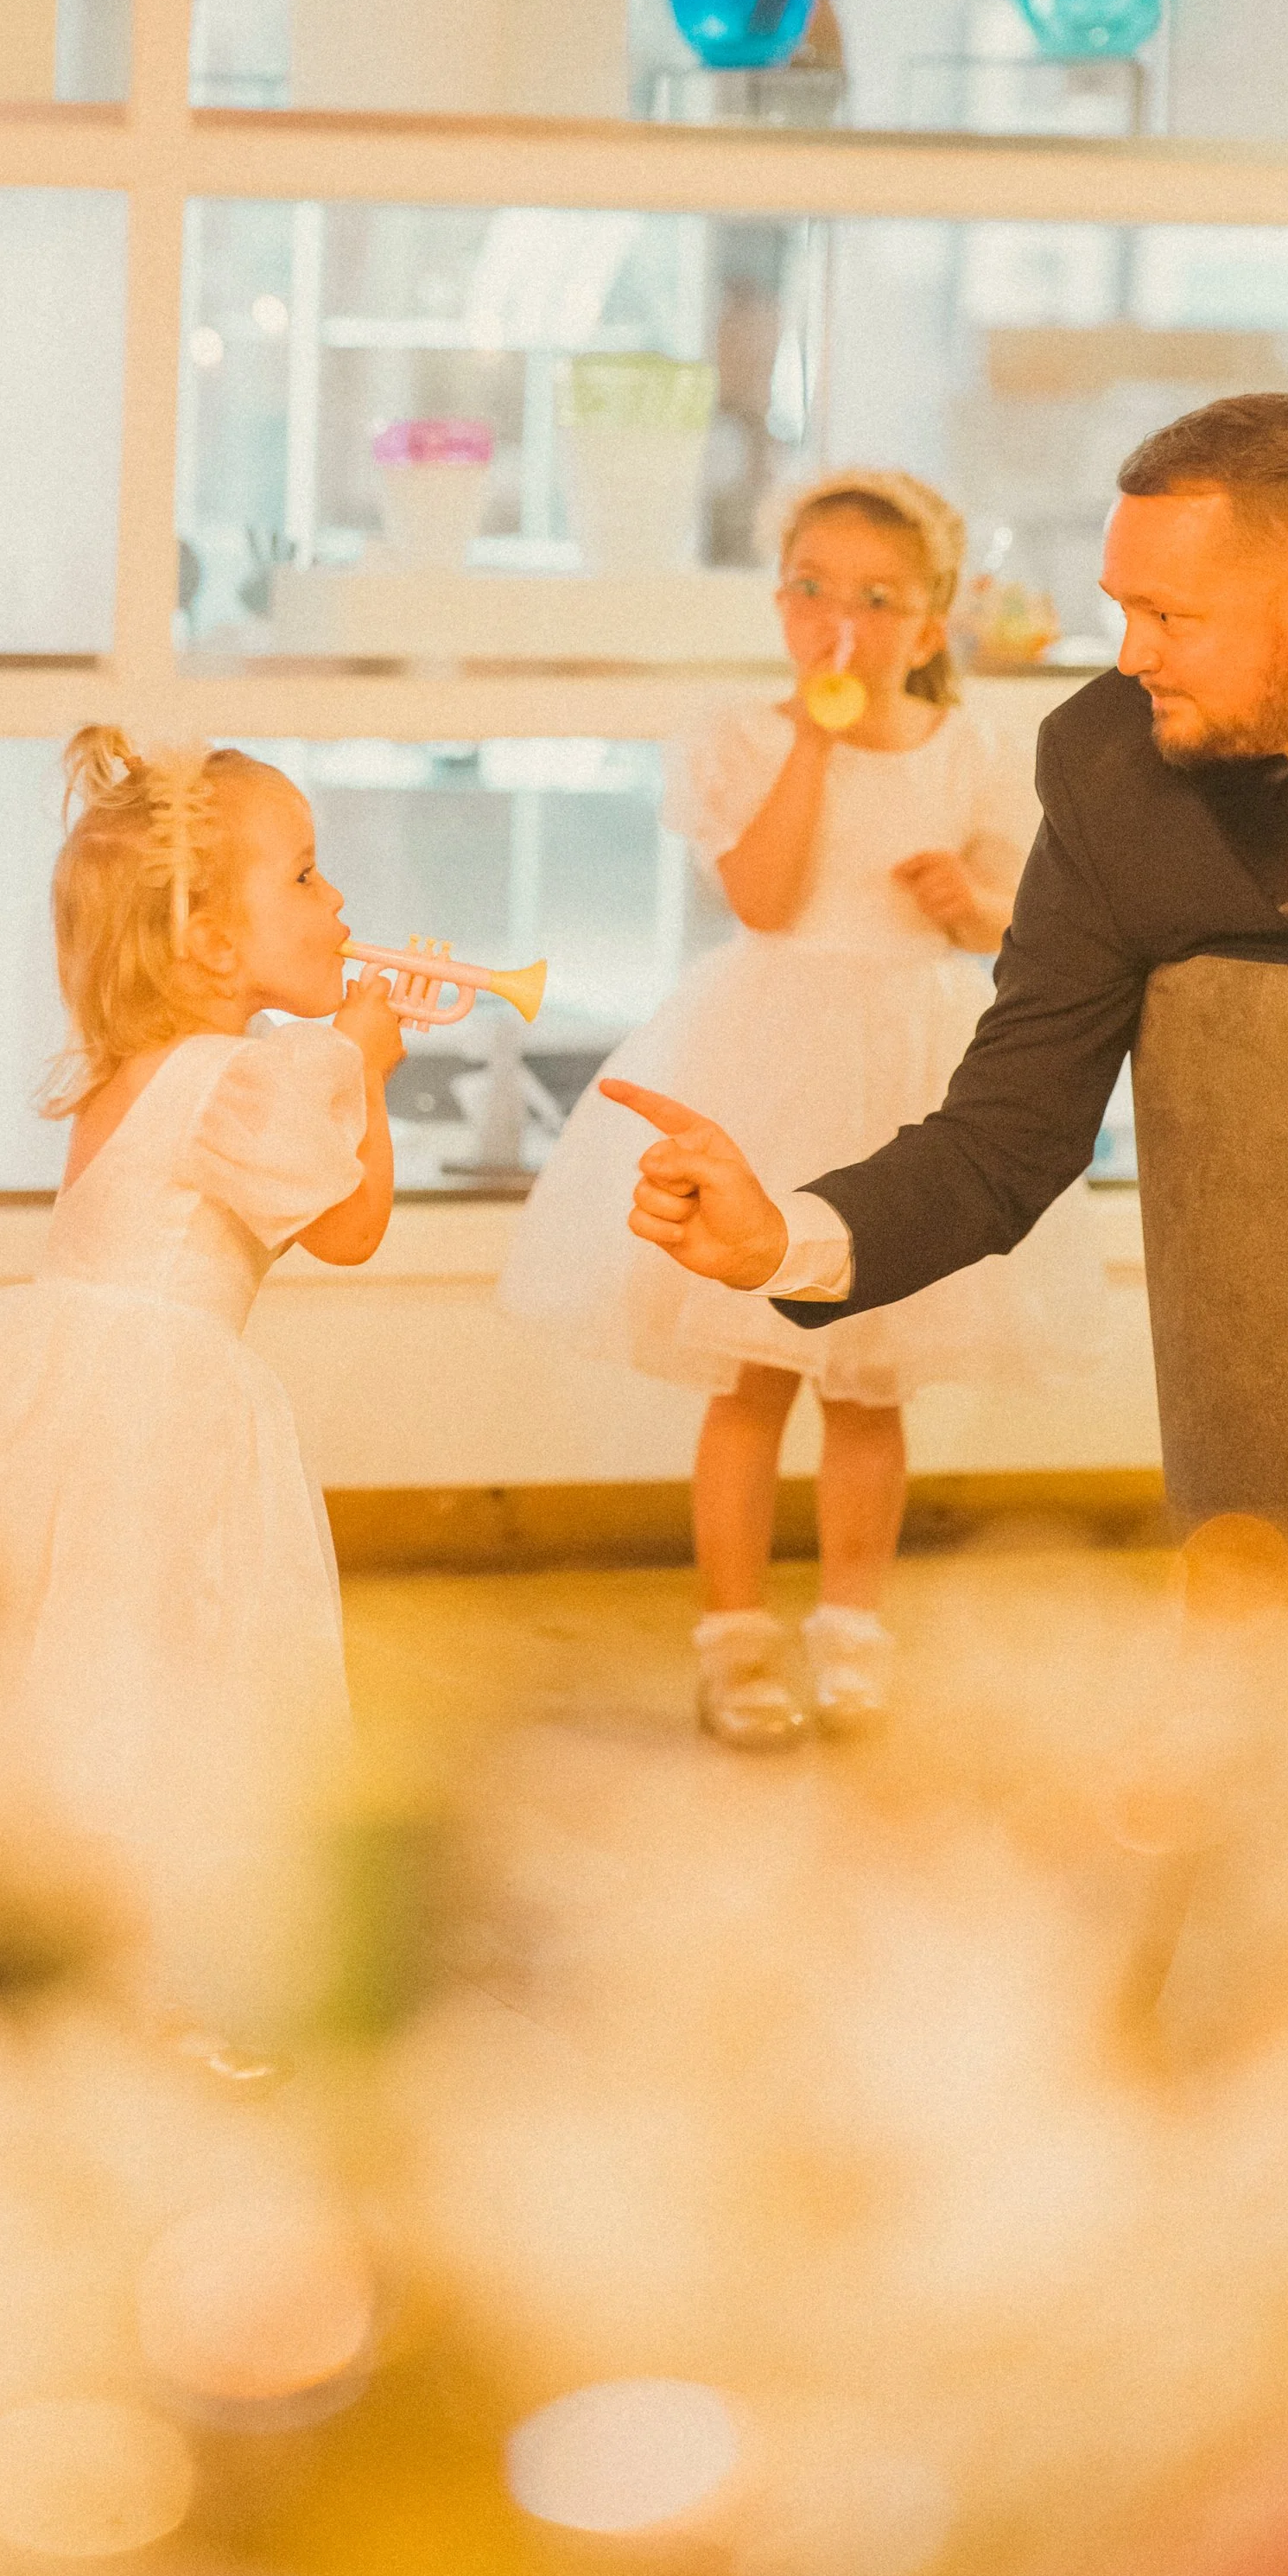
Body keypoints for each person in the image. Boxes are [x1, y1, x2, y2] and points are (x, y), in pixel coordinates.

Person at [603, 393, 1288, 1549]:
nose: (1133, 658)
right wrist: (785, 1239)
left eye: (1172, 614)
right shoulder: (1110, 767)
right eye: (1124, 610)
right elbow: (1005, 1135)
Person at [501, 470, 1101, 1748]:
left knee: (871, 1384)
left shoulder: (973, 748)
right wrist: (817, 742)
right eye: (815, 588)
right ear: (780, 603)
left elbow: (1023, 916)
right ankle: (733, 1635)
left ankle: (851, 1626)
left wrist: (969, 904)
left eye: (879, 599)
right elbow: (765, 899)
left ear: (930, 625)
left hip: (914, 1063)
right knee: (749, 1376)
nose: (844, 618)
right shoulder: (745, 736)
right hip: (768, 1060)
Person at [0, 727, 404, 2020]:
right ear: (214, 947)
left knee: (71, 1635)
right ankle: (148, 1914)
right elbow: (349, 1228)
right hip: (163, 1393)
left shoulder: (148, 1066)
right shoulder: (253, 1076)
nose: (336, 900)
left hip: (64, 1369)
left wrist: (341, 1057)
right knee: (173, 1647)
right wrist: (370, 1071)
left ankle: (48, 1885)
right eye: (302, 874)